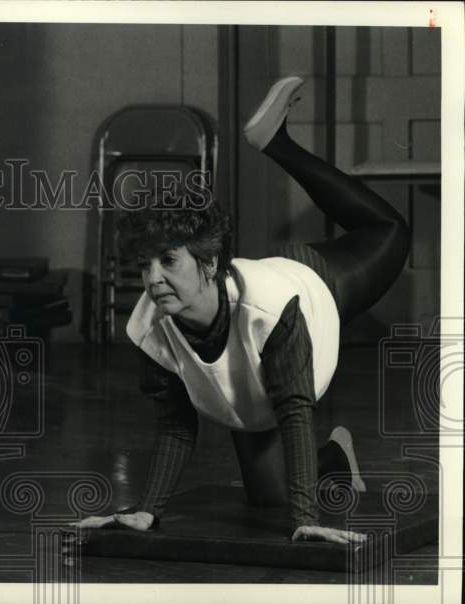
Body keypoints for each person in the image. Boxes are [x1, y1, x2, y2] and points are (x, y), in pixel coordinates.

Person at [74, 76, 409, 543]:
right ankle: (336, 454)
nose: (152, 279)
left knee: (390, 230)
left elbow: (294, 408)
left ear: (208, 262)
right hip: (251, 396)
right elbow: (176, 425)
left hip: (311, 288)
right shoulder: (149, 327)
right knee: (270, 497)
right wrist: (146, 512)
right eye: (144, 264)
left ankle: (278, 143)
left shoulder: (271, 308)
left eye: (168, 261)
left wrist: (307, 519)